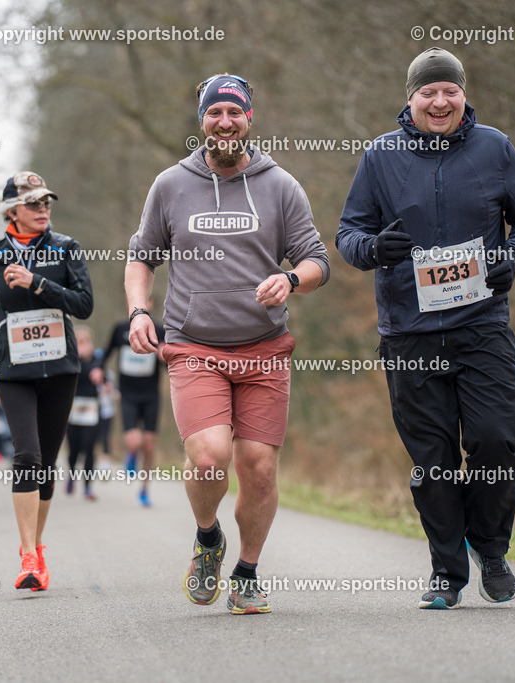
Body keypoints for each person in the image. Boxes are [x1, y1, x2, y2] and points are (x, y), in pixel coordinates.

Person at [336, 47, 515, 609]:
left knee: (498, 440)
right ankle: (446, 572)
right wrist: (375, 248)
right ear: (410, 99)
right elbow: (348, 236)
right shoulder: (380, 156)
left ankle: (492, 549)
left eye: (448, 90)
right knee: (432, 460)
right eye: (427, 91)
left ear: (462, 95)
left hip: (482, 325)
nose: (439, 100)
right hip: (410, 332)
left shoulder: (494, 147)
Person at [125, 74, 330, 614]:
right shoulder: (170, 185)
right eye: (214, 112)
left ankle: (247, 572)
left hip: (264, 347)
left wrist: (291, 279)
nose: (224, 122)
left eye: (233, 112)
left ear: (248, 119)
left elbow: (318, 259)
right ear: (201, 121)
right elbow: (142, 255)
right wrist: (139, 311)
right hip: (194, 345)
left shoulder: (281, 185)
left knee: (259, 467)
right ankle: (209, 537)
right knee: (211, 458)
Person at [0, 171, 93, 591]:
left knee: (47, 464)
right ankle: (28, 555)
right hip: (13, 369)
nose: (43, 210)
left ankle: (38, 547)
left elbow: (84, 305)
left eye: (46, 202)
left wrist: (38, 282)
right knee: (27, 455)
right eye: (33, 203)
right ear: (11, 211)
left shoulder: (65, 248)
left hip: (59, 367)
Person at [102, 298, 166, 507]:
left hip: (151, 395)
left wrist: (164, 357)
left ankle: (144, 490)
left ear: (152, 303)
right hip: (127, 394)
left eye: (148, 300)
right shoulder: (120, 328)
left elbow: (168, 363)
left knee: (149, 446)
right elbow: (106, 354)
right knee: (133, 441)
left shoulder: (159, 330)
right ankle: (131, 454)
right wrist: (102, 377)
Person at [65, 325, 104, 500]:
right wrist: (80, 358)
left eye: (85, 342)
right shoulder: (70, 359)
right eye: (79, 342)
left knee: (89, 447)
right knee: (74, 448)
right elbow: (75, 374)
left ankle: (88, 486)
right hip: (73, 408)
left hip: (92, 409)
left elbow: (102, 376)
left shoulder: (97, 359)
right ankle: (72, 475)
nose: (83, 345)